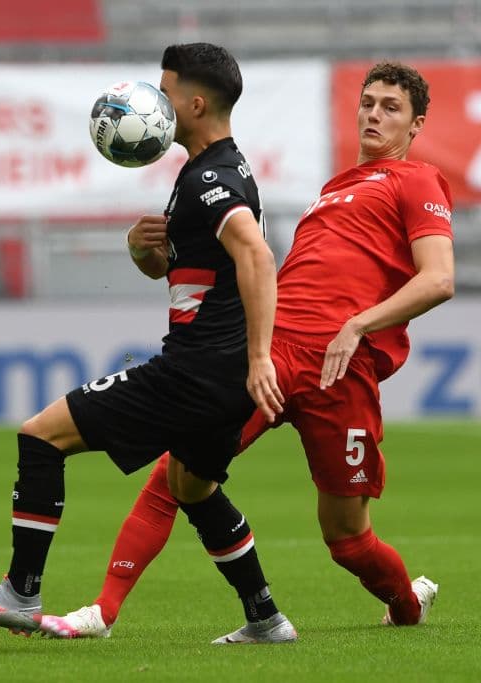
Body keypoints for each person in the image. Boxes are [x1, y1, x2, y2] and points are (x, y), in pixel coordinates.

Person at [38, 62, 455, 639]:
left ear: (416, 126)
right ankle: (101, 611)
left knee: (347, 540)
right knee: (178, 472)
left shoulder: (418, 182)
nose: (374, 114)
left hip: (341, 368)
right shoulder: (332, 190)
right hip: (275, 351)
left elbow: (438, 279)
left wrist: (360, 325)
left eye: (390, 107)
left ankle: (406, 605)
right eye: (368, 102)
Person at [0, 43, 298, 645]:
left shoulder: (211, 178)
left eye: (167, 90)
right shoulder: (218, 169)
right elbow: (185, 274)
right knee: (191, 487)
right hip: (221, 376)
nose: (157, 101)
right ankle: (266, 617)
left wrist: (262, 355)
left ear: (198, 102)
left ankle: (21, 591)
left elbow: (257, 256)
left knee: (40, 434)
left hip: (196, 372)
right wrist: (142, 252)